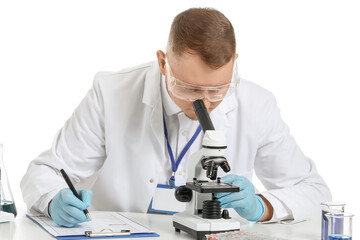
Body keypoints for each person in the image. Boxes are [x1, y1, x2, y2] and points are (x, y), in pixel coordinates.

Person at [21, 7, 331, 227]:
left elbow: (315, 192)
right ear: (163, 62)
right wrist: (52, 200)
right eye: (189, 88)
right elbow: (43, 172)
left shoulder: (257, 104)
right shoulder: (111, 92)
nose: (205, 104)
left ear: (234, 64)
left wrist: (261, 206)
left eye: (218, 89)